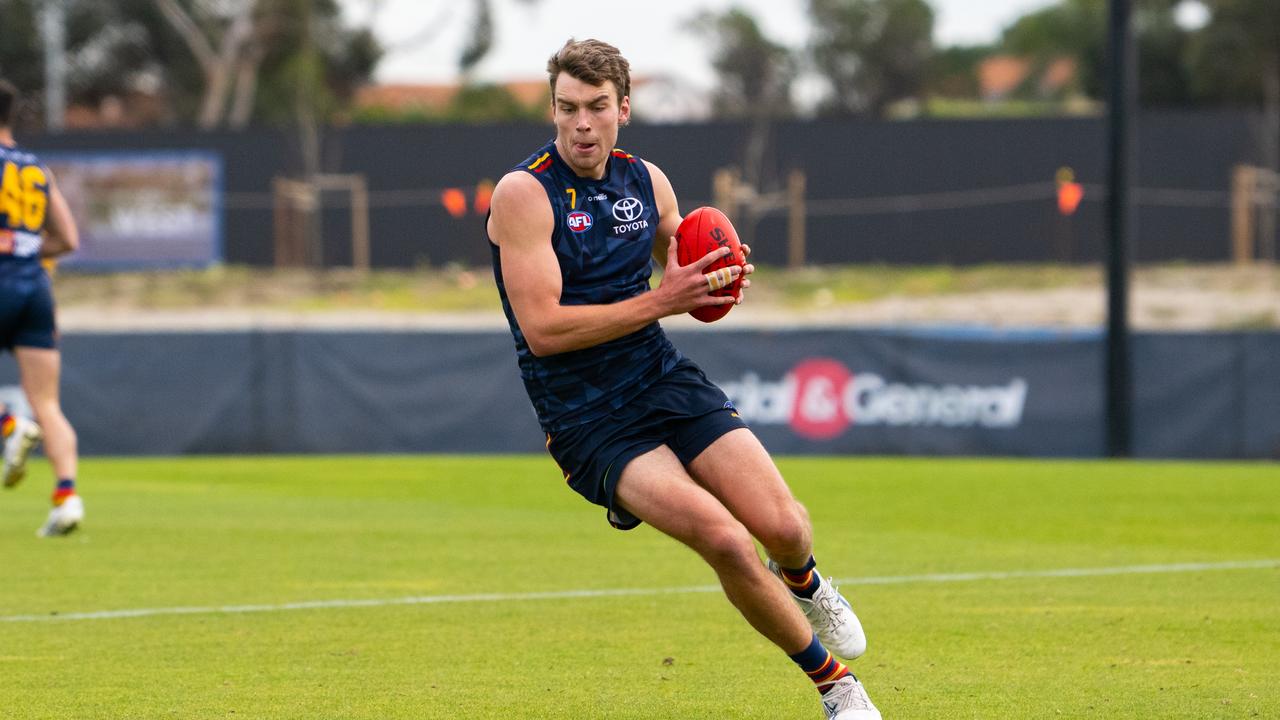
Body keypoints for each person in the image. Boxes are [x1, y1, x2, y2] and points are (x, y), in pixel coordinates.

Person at [486, 39, 880, 719]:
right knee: (725, 538)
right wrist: (664, 301)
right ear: (553, 109)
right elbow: (545, 331)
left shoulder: (648, 182)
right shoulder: (525, 194)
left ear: (624, 109)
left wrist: (718, 274)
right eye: (568, 108)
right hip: (586, 415)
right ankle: (836, 686)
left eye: (597, 107)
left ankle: (808, 581)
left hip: (661, 377)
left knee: (784, 525)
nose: (581, 123)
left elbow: (687, 264)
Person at [0, 78, 84, 537]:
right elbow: (68, 239)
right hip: (35, 286)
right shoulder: (35, 167)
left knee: (29, 410)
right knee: (48, 403)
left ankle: (10, 425)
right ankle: (66, 497)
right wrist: (26, 251)